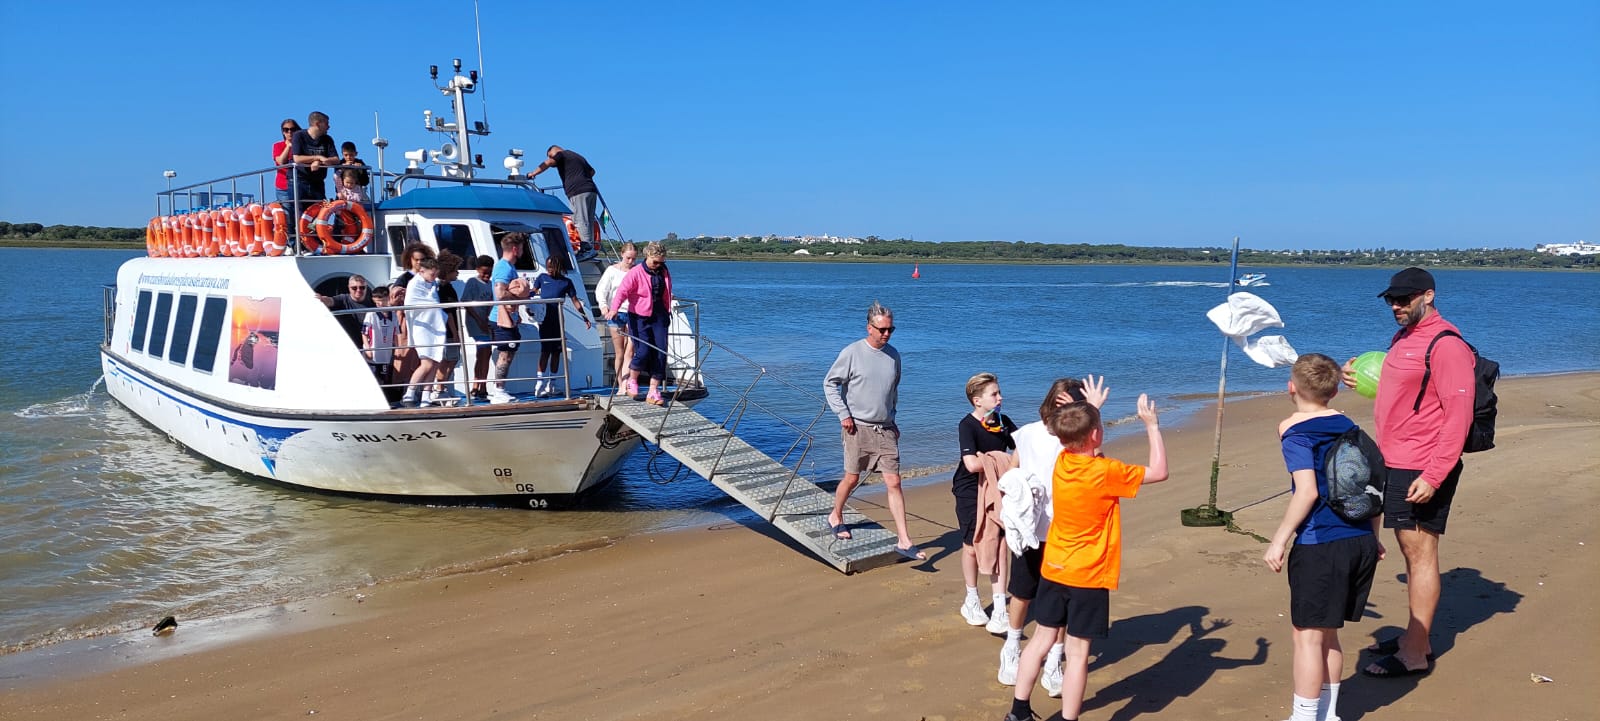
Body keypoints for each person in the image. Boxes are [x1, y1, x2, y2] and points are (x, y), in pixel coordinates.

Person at [1341, 267, 1474, 679]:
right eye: (1391, 300)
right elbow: (1404, 392)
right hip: (1395, 458)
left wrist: (1434, 475)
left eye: (1404, 299)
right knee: (1408, 550)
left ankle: (1415, 652)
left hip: (1422, 464)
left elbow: (1459, 416)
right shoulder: (1403, 337)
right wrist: (1357, 379)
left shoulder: (1447, 344)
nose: (1396, 306)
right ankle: (1416, 638)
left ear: (1428, 296)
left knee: (1420, 554)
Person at [1004, 394, 1168, 721]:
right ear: (1095, 434)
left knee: (1040, 640)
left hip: (1054, 567)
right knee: (1078, 653)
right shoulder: (1106, 472)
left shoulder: (1062, 462)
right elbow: (1159, 471)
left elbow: (1082, 444)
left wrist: (1090, 411)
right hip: (1088, 575)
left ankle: (1018, 711)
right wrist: (1151, 426)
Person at [1265, 353, 1384, 721]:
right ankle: (1328, 714)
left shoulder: (1296, 433)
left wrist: (1279, 540)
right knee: (1328, 634)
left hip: (1321, 545)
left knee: (1307, 637)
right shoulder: (1351, 427)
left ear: (1291, 388)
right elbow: (1371, 484)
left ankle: (1304, 716)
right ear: (1334, 391)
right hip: (1360, 540)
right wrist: (1375, 537)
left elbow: (1307, 492)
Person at [998, 376, 1109, 695]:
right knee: (1022, 592)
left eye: (1070, 405)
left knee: (1059, 601)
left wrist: (1089, 415)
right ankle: (1011, 646)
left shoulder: (1074, 438)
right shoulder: (1028, 433)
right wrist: (1012, 505)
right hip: (1031, 528)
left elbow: (1097, 464)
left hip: (1065, 533)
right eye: (1060, 403)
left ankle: (1054, 662)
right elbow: (1012, 471)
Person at [820, 301, 922, 560]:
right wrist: (843, 414)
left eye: (891, 329)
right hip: (857, 427)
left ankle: (904, 540)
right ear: (869, 328)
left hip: (885, 428)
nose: (887, 334)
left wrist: (893, 418)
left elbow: (893, 390)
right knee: (852, 478)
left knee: (894, 481)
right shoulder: (852, 353)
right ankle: (836, 515)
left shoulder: (894, 355)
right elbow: (829, 383)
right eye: (882, 329)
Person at [953, 372, 1017, 632]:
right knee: (972, 544)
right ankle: (971, 600)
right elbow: (971, 464)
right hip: (969, 490)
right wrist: (1001, 459)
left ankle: (1000, 608)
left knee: (1000, 544)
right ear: (977, 400)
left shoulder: (1004, 422)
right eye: (994, 394)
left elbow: (1023, 447)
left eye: (999, 392)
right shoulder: (967, 425)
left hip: (998, 489)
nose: (1000, 397)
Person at [606, 241, 672, 406]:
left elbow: (666, 291)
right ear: (647, 256)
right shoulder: (636, 273)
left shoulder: (663, 271)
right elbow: (622, 292)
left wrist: (668, 308)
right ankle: (632, 380)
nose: (658, 265)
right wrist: (614, 309)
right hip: (639, 316)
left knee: (660, 352)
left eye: (661, 262)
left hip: (659, 316)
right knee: (642, 350)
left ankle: (653, 390)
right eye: (655, 262)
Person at [530, 254, 591, 396]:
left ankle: (552, 384)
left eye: (552, 267)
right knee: (545, 350)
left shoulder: (566, 282)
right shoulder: (542, 278)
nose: (549, 269)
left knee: (556, 352)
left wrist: (584, 317)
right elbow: (533, 291)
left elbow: (575, 300)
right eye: (548, 267)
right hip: (545, 319)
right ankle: (539, 384)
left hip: (557, 320)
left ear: (558, 267)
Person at [526, 145, 599, 252]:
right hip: (590, 190)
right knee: (588, 219)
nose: (551, 159)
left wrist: (533, 173)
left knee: (580, 220)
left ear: (554, 151)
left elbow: (548, 163)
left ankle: (587, 249)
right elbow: (592, 172)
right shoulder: (577, 156)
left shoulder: (561, 154)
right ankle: (591, 246)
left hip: (578, 191)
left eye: (550, 155)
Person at [488, 234, 529, 404]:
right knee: (505, 355)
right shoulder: (503, 267)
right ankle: (498, 391)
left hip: (508, 318)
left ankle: (500, 389)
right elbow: (499, 292)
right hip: (501, 320)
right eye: (522, 248)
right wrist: (519, 296)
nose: (523, 251)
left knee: (509, 354)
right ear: (515, 249)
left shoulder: (508, 267)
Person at [402, 258, 445, 406]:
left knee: (435, 362)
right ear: (422, 271)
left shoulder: (432, 284)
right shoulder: (414, 284)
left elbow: (434, 302)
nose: (434, 277)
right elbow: (412, 303)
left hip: (435, 326)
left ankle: (426, 395)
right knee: (426, 363)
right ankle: (409, 393)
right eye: (432, 274)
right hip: (422, 327)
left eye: (436, 274)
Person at [595, 242, 636, 390]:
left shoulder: (637, 271)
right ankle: (620, 383)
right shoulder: (612, 271)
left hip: (633, 313)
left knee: (630, 351)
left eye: (633, 259)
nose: (630, 261)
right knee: (619, 352)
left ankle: (627, 383)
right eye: (628, 258)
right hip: (616, 313)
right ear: (622, 254)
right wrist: (603, 306)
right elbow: (601, 290)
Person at [428, 252, 465, 405]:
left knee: (451, 359)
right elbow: (449, 313)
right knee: (448, 360)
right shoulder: (445, 288)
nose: (457, 273)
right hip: (448, 331)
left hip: (447, 330)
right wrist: (456, 333)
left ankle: (442, 389)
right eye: (455, 270)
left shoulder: (444, 287)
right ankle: (439, 389)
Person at [460, 255, 497, 402]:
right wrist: (479, 320)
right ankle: (482, 386)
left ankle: (477, 384)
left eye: (489, 273)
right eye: (484, 273)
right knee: (484, 353)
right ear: (477, 270)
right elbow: (466, 303)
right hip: (476, 324)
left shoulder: (491, 284)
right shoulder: (472, 282)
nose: (487, 276)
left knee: (483, 354)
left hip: (486, 323)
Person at [289, 111, 340, 206]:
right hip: (299, 181)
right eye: (326, 124)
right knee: (299, 211)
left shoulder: (328, 139)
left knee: (320, 210)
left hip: (318, 183)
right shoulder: (299, 136)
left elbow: (336, 159)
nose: (329, 127)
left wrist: (320, 162)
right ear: (318, 124)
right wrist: (318, 157)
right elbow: (297, 158)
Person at [362, 286, 402, 403]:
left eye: (382, 300)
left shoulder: (393, 314)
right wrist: (368, 349)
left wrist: (398, 348)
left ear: (388, 298)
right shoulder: (371, 314)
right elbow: (364, 333)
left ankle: (385, 401)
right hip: (373, 353)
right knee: (374, 378)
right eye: (377, 301)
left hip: (386, 354)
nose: (380, 304)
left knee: (385, 378)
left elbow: (396, 333)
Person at [315, 275, 374, 347]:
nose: (358, 290)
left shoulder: (373, 300)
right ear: (349, 287)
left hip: (370, 345)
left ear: (366, 287)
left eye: (362, 287)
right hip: (350, 344)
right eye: (354, 288)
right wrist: (321, 299)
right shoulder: (343, 299)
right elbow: (330, 301)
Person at [271, 119, 302, 204]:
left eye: (292, 129)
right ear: (283, 132)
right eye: (286, 130)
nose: (289, 132)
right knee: (288, 211)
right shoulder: (277, 146)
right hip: (283, 186)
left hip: (302, 185)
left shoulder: (302, 145)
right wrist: (288, 147)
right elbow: (281, 161)